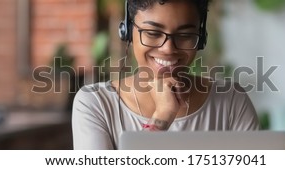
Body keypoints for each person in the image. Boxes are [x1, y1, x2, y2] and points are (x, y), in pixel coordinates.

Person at [72, 0, 260, 150]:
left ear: (201, 38)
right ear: (128, 32)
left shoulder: (232, 100)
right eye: (153, 33)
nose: (168, 49)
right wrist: (162, 115)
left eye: (185, 35)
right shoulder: (95, 103)